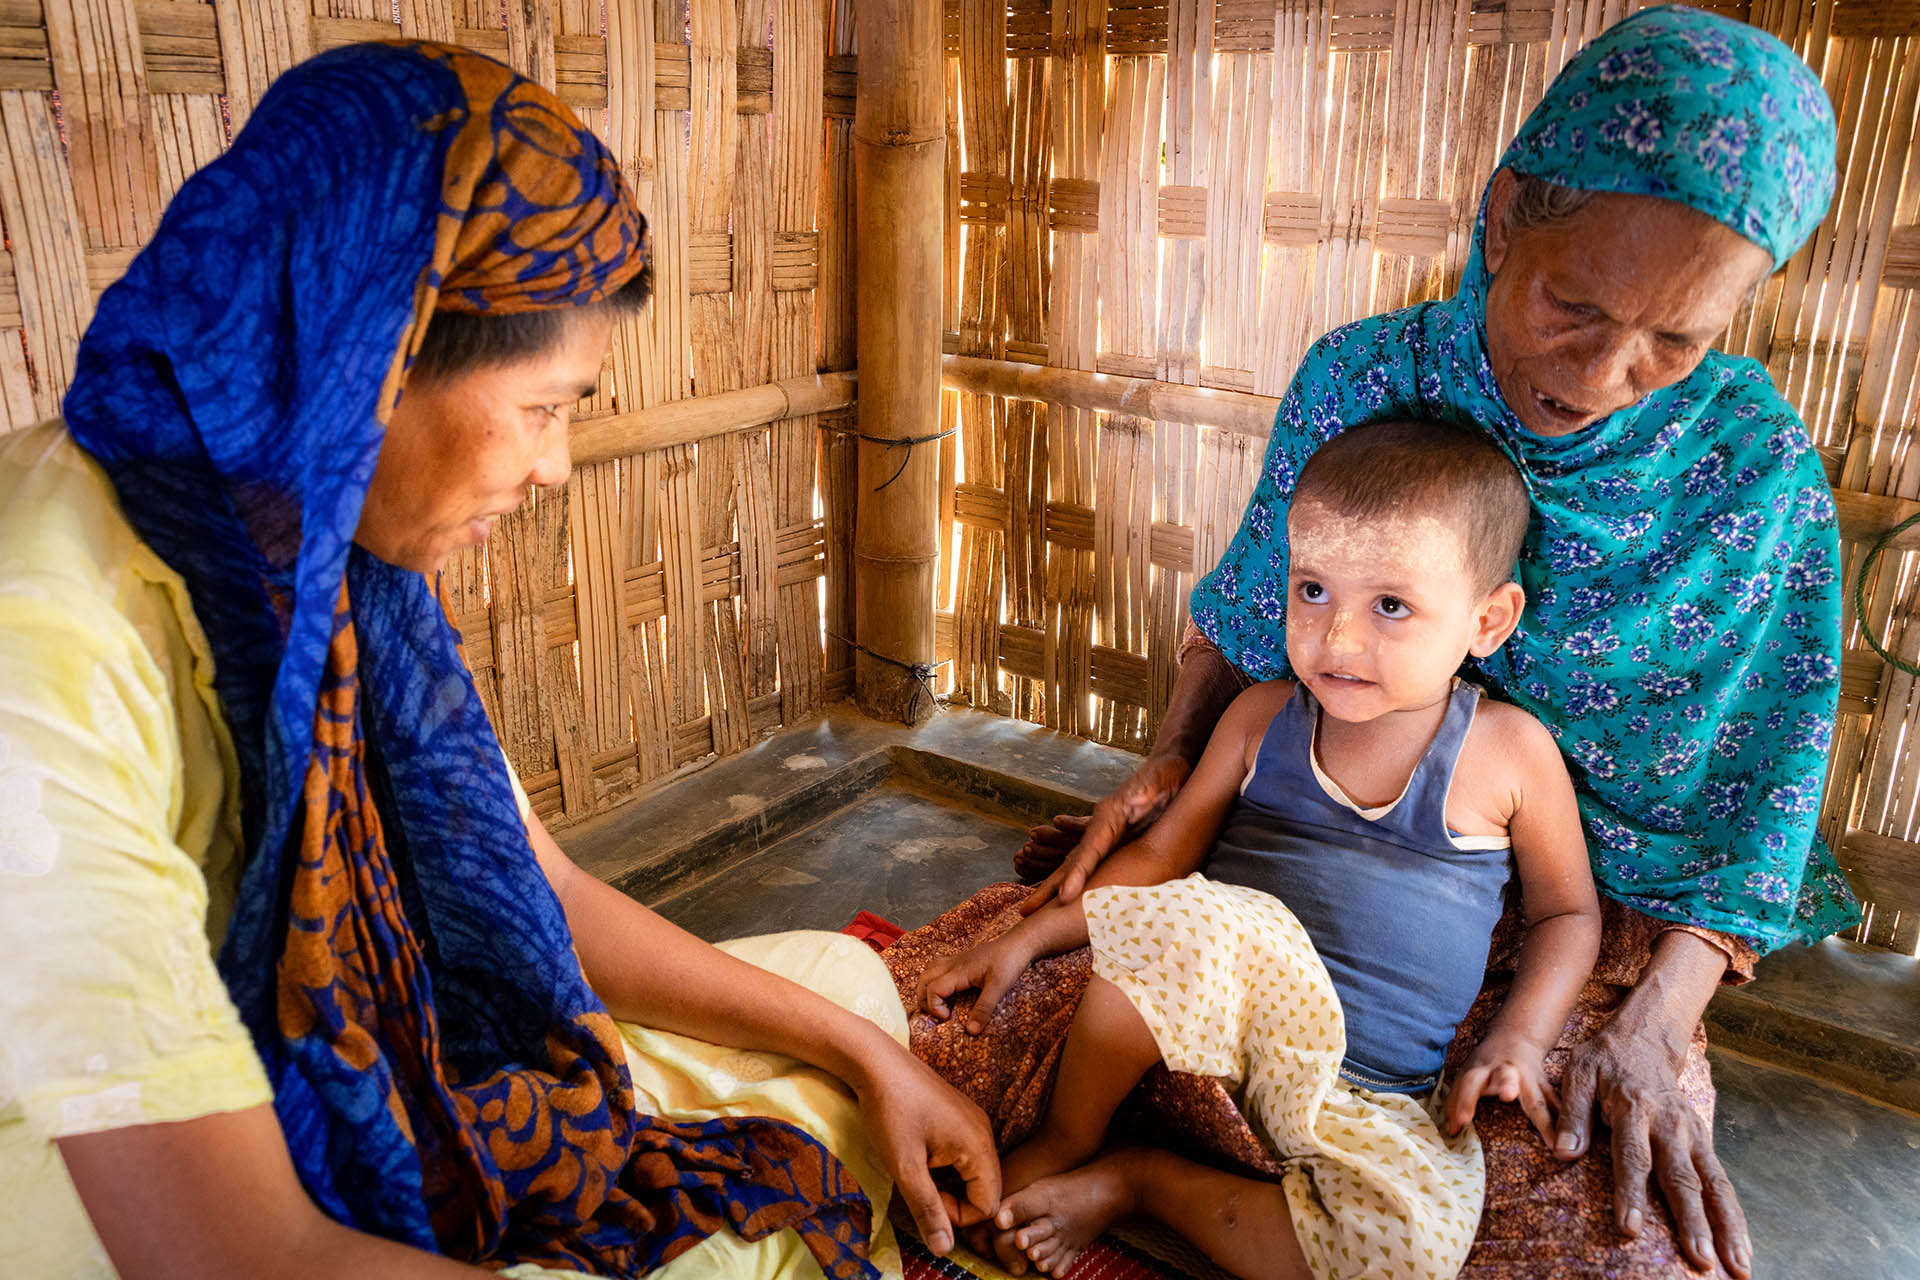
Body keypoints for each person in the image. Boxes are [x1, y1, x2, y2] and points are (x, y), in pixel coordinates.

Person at [0, 42, 997, 1278]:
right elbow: (238, 1250)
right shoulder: (41, 642)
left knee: (849, 990)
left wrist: (876, 1059)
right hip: (110, 1193)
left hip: (363, 1054)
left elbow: (549, 895)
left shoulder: (327, 547)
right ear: (383, 354)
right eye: (545, 406)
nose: (556, 465)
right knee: (750, 1232)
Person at [888, 8, 1857, 1279]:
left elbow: (1756, 793)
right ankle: (1144, 1156)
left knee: (1600, 1240)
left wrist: (1657, 1024)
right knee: (973, 1027)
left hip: (1586, 942)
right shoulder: (1363, 380)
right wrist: (1175, 764)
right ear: (1505, 216)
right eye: (1575, 303)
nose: (1611, 368)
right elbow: (1239, 635)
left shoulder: (1755, 473)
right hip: (1287, 863)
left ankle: (1170, 1179)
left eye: (1679, 337)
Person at [915, 421, 1604, 1280]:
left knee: (1415, 1246)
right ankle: (1067, 1137)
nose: (1338, 638)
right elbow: (1162, 859)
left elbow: (1568, 913)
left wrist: (1522, 1039)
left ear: (1489, 621)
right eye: (1313, 590)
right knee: (1200, 920)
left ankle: (1140, 1184)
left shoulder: (1508, 752)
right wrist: (1023, 937)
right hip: (1198, 1042)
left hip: (1363, 1095)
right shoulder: (1260, 720)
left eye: (1391, 606)